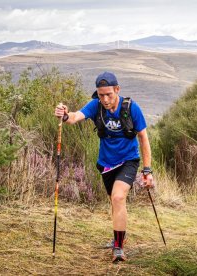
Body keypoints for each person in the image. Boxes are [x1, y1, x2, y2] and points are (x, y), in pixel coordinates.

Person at [54, 71, 154, 262]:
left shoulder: (132, 108)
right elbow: (75, 117)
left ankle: (118, 248)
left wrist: (147, 170)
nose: (105, 99)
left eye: (109, 94)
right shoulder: (96, 106)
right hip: (106, 164)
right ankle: (118, 236)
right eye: (101, 95)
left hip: (128, 160)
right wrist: (65, 115)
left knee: (118, 197)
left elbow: (143, 138)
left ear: (117, 89)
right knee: (114, 201)